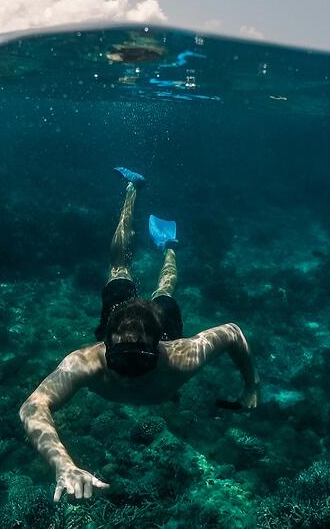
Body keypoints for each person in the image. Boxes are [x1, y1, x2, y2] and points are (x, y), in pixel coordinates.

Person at [18, 167, 260, 503]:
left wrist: (251, 385)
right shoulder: (87, 362)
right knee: (119, 262)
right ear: (106, 344)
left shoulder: (179, 355)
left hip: (157, 327)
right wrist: (64, 465)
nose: (129, 375)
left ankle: (169, 245)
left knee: (165, 288)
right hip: (122, 319)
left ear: (158, 349)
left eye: (139, 363)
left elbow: (233, 333)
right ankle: (133, 188)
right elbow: (32, 407)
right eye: (121, 362)